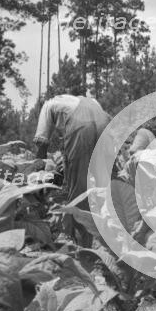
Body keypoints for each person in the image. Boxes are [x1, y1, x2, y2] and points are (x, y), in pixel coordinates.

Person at [34, 93, 113, 242]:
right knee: (103, 183)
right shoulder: (86, 101)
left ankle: (73, 237)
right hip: (106, 122)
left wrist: (38, 178)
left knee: (78, 186)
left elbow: (41, 143)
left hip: (81, 125)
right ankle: (109, 231)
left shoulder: (47, 105)